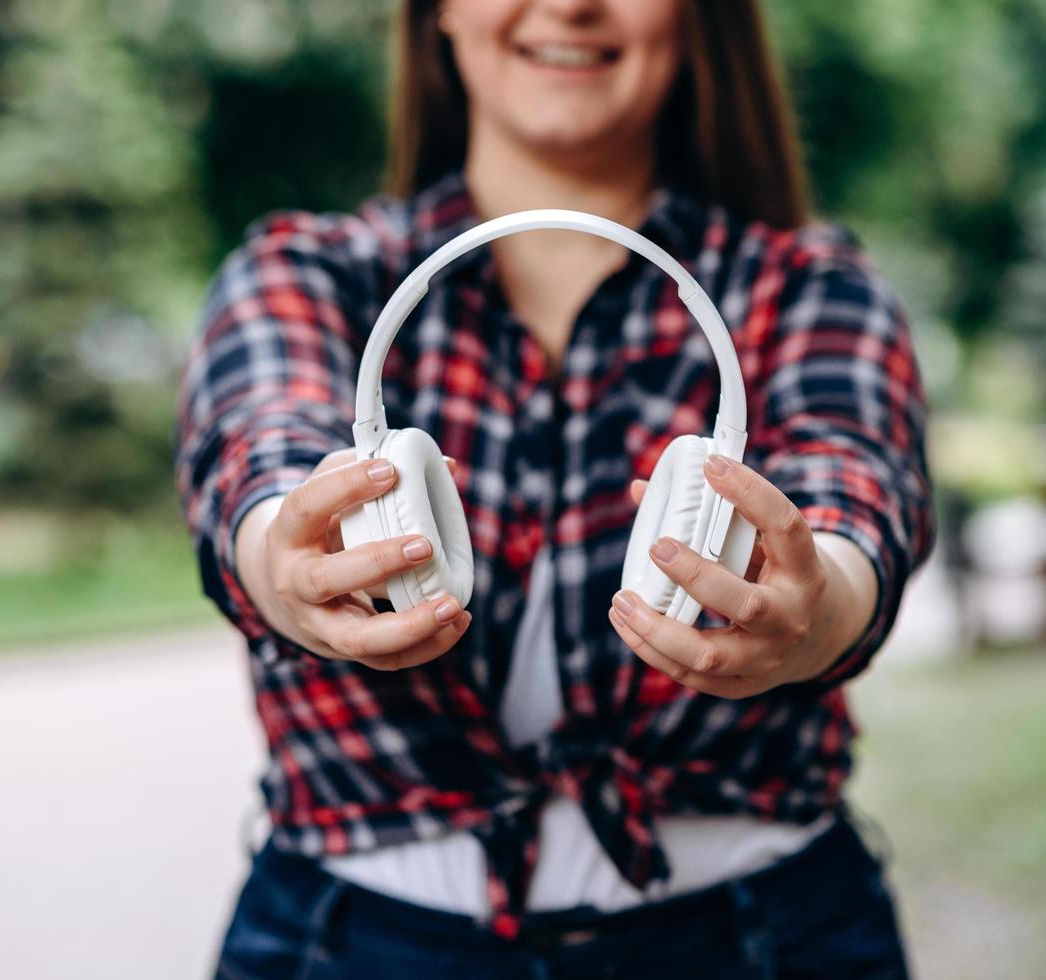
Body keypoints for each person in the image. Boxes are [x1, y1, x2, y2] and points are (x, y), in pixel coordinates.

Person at [175, 0, 935, 976]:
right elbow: (260, 444)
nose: (569, 2)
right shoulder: (305, 274)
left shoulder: (806, 289)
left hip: (761, 940)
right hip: (353, 943)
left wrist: (818, 602)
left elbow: (850, 479)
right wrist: (286, 557)